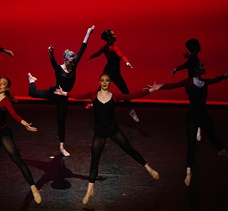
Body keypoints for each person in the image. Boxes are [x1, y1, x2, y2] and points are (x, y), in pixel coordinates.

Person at [55, 73, 161, 204]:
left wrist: (150, 90)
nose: (104, 82)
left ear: (110, 82)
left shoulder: (115, 96)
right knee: (94, 161)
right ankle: (89, 190)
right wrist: (64, 93)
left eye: (107, 81)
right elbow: (78, 96)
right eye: (102, 80)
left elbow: (132, 96)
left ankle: (149, 168)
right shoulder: (93, 95)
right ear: (99, 82)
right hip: (99, 133)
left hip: (113, 130)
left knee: (129, 150)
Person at [27, 25, 95, 157]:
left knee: (61, 121)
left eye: (74, 60)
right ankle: (32, 80)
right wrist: (51, 53)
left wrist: (88, 33)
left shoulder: (74, 65)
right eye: (71, 60)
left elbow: (83, 48)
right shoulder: (59, 68)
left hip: (63, 98)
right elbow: (52, 62)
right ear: (65, 59)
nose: (73, 62)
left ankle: (62, 147)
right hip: (54, 93)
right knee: (31, 93)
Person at [160, 69, 228, 187]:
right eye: (201, 65)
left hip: (204, 114)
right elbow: (173, 85)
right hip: (193, 115)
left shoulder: (204, 81)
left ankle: (221, 150)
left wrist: (223, 76)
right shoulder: (189, 82)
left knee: (212, 136)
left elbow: (215, 80)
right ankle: (188, 171)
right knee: (191, 143)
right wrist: (159, 87)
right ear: (197, 69)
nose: (204, 67)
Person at [0, 77, 41, 206]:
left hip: (4, 133)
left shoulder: (5, 101)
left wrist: (25, 124)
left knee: (17, 160)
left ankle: (33, 188)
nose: (0, 85)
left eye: (3, 84)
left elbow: (14, 115)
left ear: (7, 88)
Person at [86, 29, 140, 122]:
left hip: (108, 71)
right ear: (110, 38)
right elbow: (121, 55)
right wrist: (127, 62)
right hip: (113, 73)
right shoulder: (113, 48)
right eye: (114, 35)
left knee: (102, 89)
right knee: (125, 91)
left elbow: (97, 54)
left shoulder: (105, 48)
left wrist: (90, 57)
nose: (116, 36)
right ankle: (131, 111)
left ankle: (92, 103)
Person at [170, 38, 204, 141]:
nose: (200, 45)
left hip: (195, 85)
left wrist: (176, 69)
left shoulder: (193, 58)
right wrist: (177, 68)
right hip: (194, 86)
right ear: (195, 47)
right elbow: (194, 67)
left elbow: (189, 65)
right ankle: (196, 127)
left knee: (197, 106)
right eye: (198, 44)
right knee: (197, 107)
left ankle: (196, 127)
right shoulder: (193, 58)